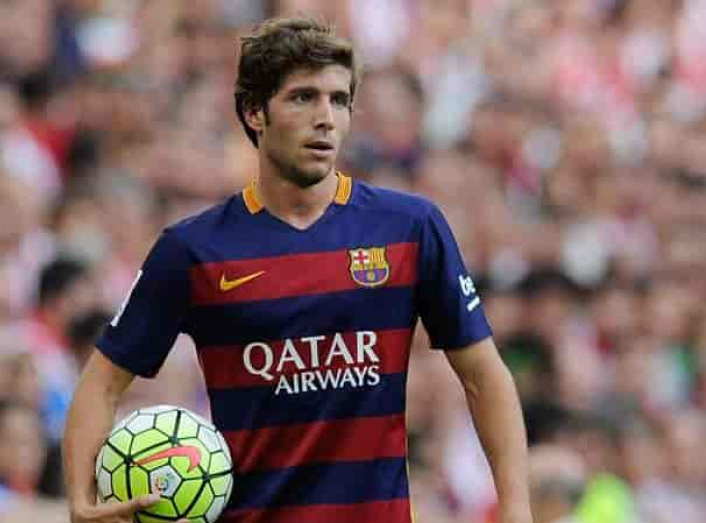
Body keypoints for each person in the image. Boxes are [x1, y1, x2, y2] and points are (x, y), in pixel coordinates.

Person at [63, 17, 532, 523]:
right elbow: (101, 383)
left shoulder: (410, 227)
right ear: (254, 112)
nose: (325, 118)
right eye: (303, 98)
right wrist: (80, 499)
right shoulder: (193, 249)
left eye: (339, 100)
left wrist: (516, 509)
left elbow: (484, 376)